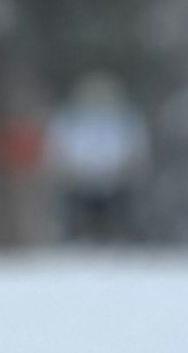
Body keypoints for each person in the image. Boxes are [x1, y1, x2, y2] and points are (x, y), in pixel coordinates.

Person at [45, 73, 148, 243]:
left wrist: (130, 169)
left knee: (120, 218)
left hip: (116, 181)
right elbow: (57, 145)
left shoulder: (124, 117)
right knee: (76, 220)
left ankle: (122, 242)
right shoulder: (71, 117)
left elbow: (136, 145)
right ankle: (75, 243)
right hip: (79, 182)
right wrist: (66, 171)